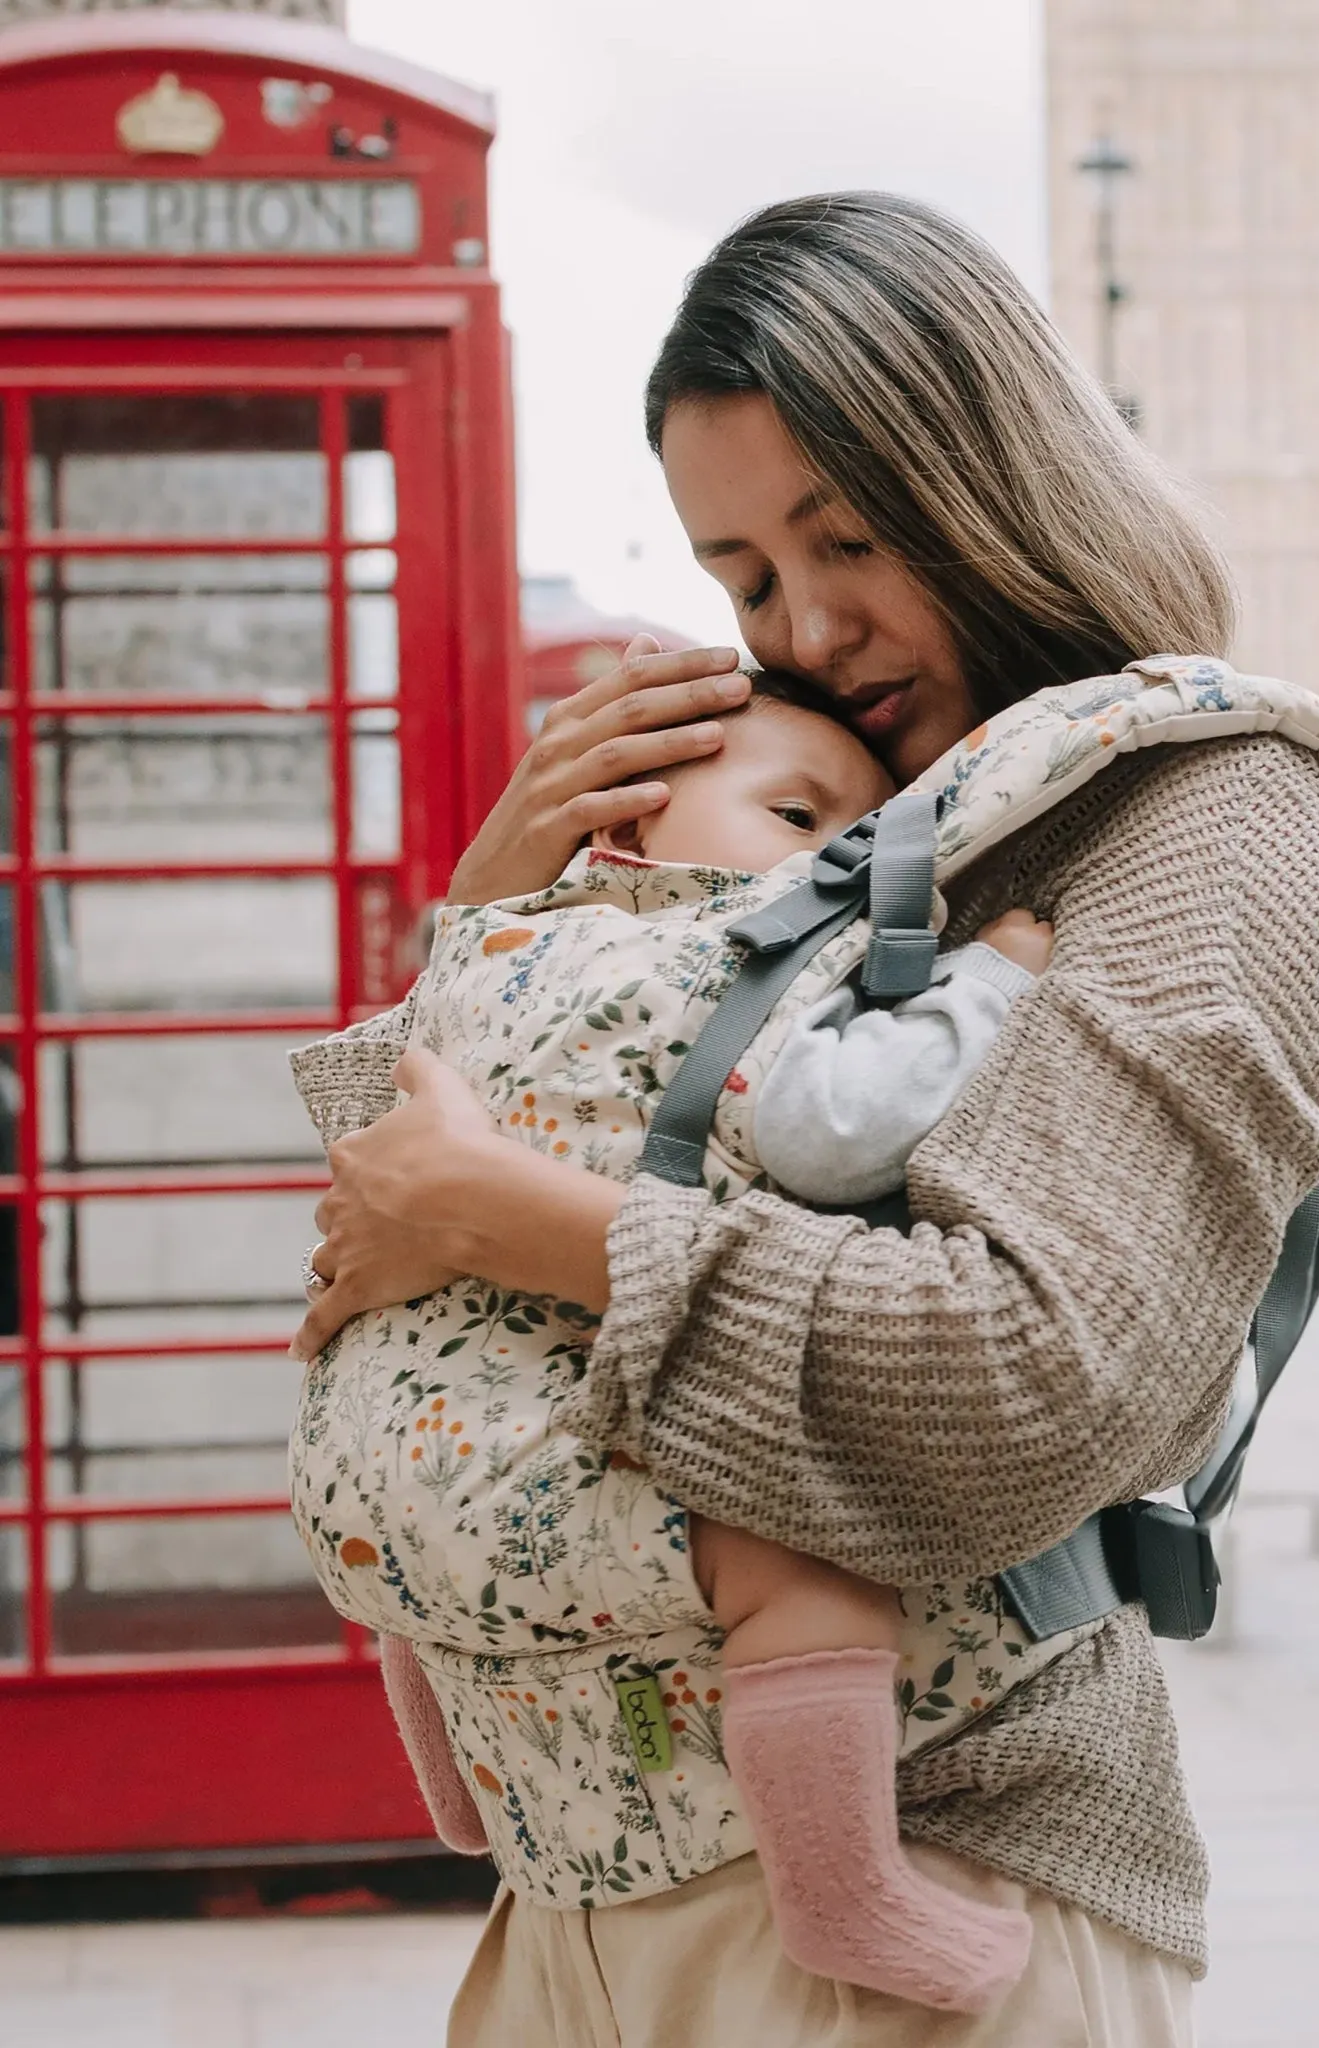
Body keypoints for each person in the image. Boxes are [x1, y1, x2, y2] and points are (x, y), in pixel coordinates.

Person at [293, 191, 1319, 2048]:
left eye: (848, 539)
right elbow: (379, 1272)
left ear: (994, 477)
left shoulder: (1198, 810)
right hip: (565, 1893)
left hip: (931, 1891)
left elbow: (1028, 1386)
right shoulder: (779, 804)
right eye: (741, 578)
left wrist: (522, 1220)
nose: (805, 627)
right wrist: (498, 901)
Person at [296, 670, 1055, 2012]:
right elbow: (846, 1123)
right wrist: (991, 978)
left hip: (369, 1451)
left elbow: (372, 1128)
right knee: (813, 1563)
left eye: (863, 833)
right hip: (551, 1440)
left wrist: (470, 914)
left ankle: (473, 1799)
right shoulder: (726, 965)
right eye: (792, 813)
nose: (839, 860)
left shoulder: (494, 952)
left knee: (413, 1554)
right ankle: (844, 1894)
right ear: (627, 837)